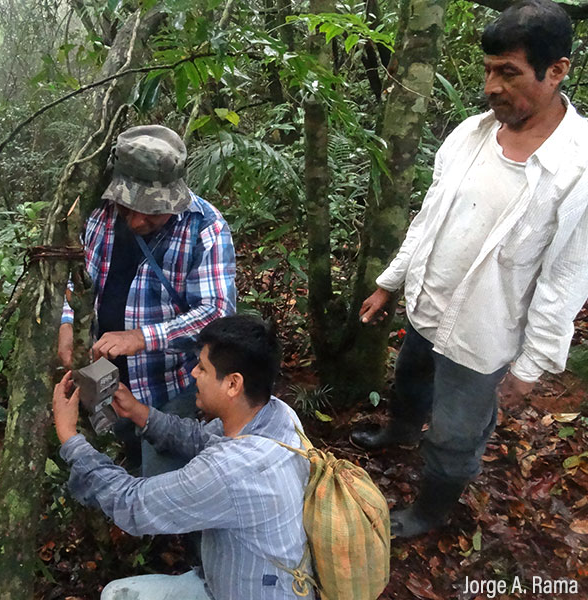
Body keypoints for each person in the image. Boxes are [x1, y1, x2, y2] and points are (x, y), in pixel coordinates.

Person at [351, 0, 588, 538]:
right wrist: (391, 282)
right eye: (488, 70)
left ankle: (431, 509)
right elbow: (432, 218)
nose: (491, 86)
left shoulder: (579, 167)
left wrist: (532, 366)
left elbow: (566, 278)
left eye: (509, 72)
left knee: (458, 432)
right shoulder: (471, 134)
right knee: (411, 377)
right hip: (428, 307)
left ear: (557, 71)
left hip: (483, 335)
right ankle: (401, 430)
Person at [53, 315, 313, 600]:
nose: (193, 374)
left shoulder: (229, 470)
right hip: (266, 582)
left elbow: (133, 504)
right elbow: (202, 438)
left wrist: (70, 438)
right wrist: (139, 413)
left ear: (233, 384)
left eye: (202, 367)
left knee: (115, 595)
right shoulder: (277, 414)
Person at [58, 125, 236, 475]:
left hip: (168, 388)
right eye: (129, 207)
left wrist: (141, 338)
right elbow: (79, 280)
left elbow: (217, 314)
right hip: (105, 378)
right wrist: (67, 322)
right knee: (124, 453)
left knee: (162, 485)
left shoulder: (205, 228)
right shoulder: (100, 215)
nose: (137, 220)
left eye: (152, 211)